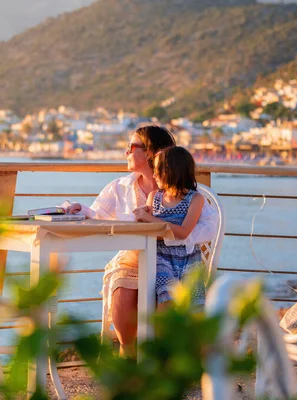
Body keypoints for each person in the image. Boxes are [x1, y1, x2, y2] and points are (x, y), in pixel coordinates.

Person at [66, 125, 217, 356]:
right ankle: (129, 356)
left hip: (172, 261)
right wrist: (81, 210)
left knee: (168, 298)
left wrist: (167, 235)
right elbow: (100, 215)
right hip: (133, 260)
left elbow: (207, 226)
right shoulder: (120, 186)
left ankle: (167, 359)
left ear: (149, 152)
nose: (126, 152)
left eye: (131, 147)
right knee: (123, 293)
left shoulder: (185, 193)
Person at [133, 146, 206, 309]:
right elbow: (147, 229)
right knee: (167, 300)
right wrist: (140, 217)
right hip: (160, 256)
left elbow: (183, 232)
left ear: (174, 171)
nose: (154, 174)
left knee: (195, 308)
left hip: (188, 259)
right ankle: (162, 335)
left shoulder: (195, 199)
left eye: (158, 169)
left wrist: (150, 218)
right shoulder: (153, 197)